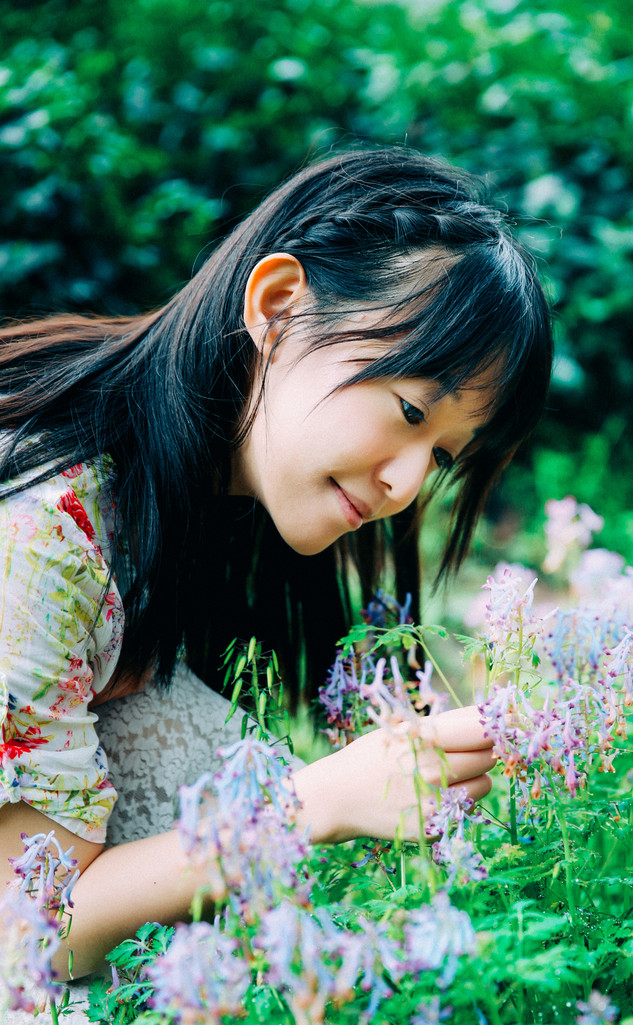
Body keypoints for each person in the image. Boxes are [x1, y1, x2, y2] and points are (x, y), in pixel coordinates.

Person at [0, 146, 552, 981]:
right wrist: (317, 804)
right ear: (280, 305)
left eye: (442, 457)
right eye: (409, 410)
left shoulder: (204, 499)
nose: (406, 482)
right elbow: (26, 933)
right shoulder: (42, 530)